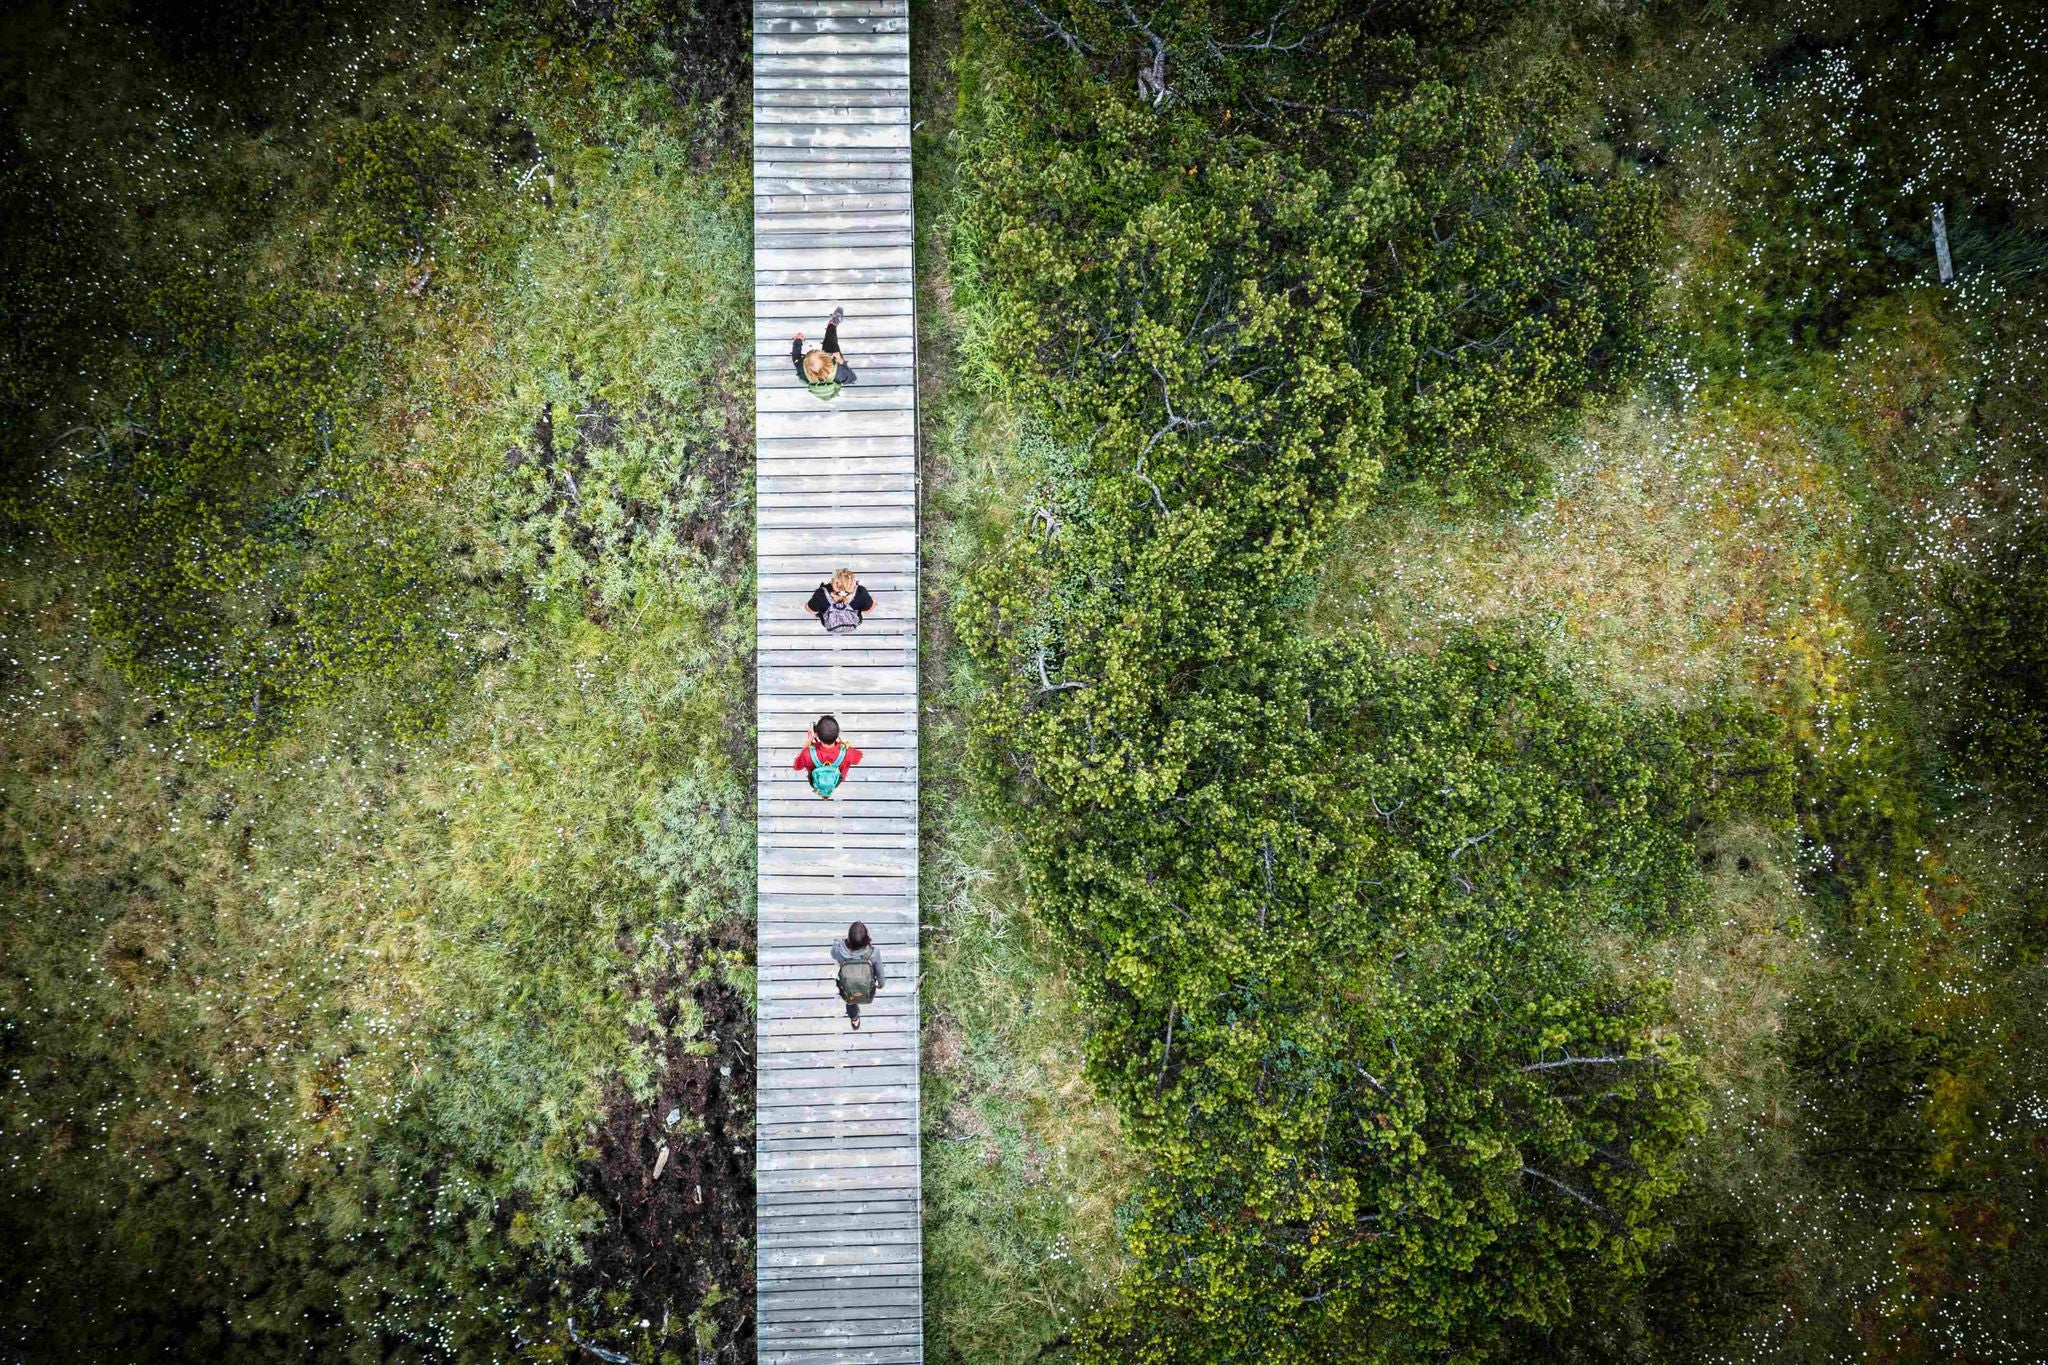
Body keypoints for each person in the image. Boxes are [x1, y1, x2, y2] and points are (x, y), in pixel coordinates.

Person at [790, 307, 857, 400]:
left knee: (830, 343)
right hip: (833, 376)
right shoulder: (839, 371)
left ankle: (832, 326)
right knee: (831, 341)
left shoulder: (803, 370)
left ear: (805, 364)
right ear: (828, 360)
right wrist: (841, 361)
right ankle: (832, 325)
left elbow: (796, 358)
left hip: (822, 387)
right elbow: (852, 379)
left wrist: (797, 341)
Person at [794, 715, 862, 798]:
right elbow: (859, 757)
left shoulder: (807, 753)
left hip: (815, 782)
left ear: (816, 735)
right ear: (837, 734)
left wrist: (808, 740)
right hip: (835, 782)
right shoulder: (847, 752)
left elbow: (796, 766)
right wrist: (843, 743)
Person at [832, 921, 884, 1028]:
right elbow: (880, 974)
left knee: (849, 999)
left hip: (848, 986)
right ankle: (856, 1009)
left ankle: (854, 1017)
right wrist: (881, 984)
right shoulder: (873, 953)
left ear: (849, 938)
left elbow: (833, 953)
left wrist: (839, 944)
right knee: (860, 992)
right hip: (867, 990)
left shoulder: (839, 950)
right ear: (866, 939)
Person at [807, 567, 875, 632]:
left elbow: (811, 610)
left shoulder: (821, 594)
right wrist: (873, 601)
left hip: (829, 625)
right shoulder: (861, 592)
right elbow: (867, 611)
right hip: (853, 624)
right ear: (853, 583)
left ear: (834, 582)